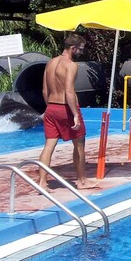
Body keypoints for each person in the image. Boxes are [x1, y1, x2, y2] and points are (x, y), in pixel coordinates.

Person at [37, 34, 95, 190]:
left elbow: (44, 90)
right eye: (80, 50)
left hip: (50, 108)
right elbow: (69, 91)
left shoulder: (50, 63)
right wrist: (75, 114)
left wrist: (50, 107)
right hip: (66, 109)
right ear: (72, 48)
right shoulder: (71, 65)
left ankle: (42, 182)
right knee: (79, 144)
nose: (81, 53)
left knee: (49, 145)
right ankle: (82, 181)